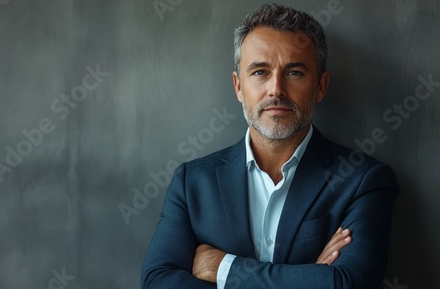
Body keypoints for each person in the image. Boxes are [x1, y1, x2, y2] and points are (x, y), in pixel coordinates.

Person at [141, 3, 399, 289]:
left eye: (294, 73)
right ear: (239, 86)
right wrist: (307, 277)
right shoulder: (192, 182)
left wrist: (225, 269)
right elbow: (157, 282)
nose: (276, 89)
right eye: (260, 72)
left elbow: (348, 284)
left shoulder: (363, 181)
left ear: (321, 86)